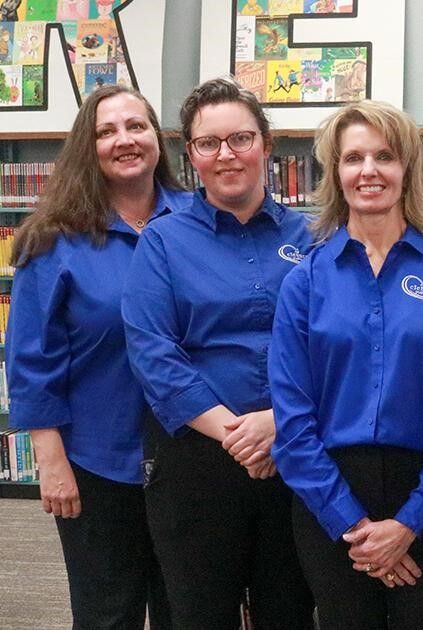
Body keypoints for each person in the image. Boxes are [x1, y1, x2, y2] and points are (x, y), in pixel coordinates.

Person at [269, 100, 423, 629]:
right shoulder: (304, 283)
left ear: (407, 169)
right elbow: (292, 423)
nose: (369, 170)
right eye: (354, 158)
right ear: (335, 173)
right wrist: (354, 526)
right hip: (329, 498)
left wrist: (409, 525)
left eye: (384, 156)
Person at [121, 77, 315, 629]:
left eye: (241, 139)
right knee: (199, 614)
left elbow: (332, 346)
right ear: (191, 155)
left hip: (295, 452)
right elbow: (153, 353)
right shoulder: (162, 241)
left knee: (291, 612)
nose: (226, 154)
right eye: (209, 143)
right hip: (196, 460)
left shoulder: (314, 237)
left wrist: (277, 423)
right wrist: (239, 435)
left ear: (266, 145)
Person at [6, 85, 188, 630]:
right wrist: (50, 460)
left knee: (191, 611)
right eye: (106, 131)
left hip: (191, 461)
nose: (124, 140)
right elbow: (31, 357)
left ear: (157, 137)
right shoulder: (53, 238)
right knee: (107, 615)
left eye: (136, 126)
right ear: (88, 147)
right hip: (96, 462)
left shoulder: (199, 221)